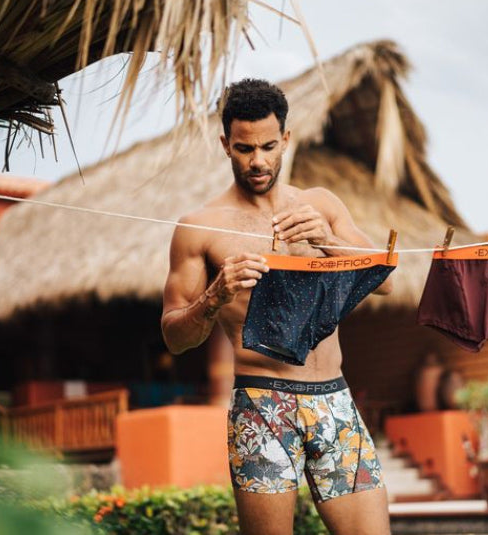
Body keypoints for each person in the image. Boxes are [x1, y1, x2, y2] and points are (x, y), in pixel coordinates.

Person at [161, 78, 393, 535]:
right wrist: (214, 297)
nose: (259, 161)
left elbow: (384, 280)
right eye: (245, 148)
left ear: (286, 139)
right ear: (226, 144)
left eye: (269, 146)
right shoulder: (199, 228)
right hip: (262, 406)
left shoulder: (321, 204)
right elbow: (174, 337)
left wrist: (326, 242)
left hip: (335, 401)